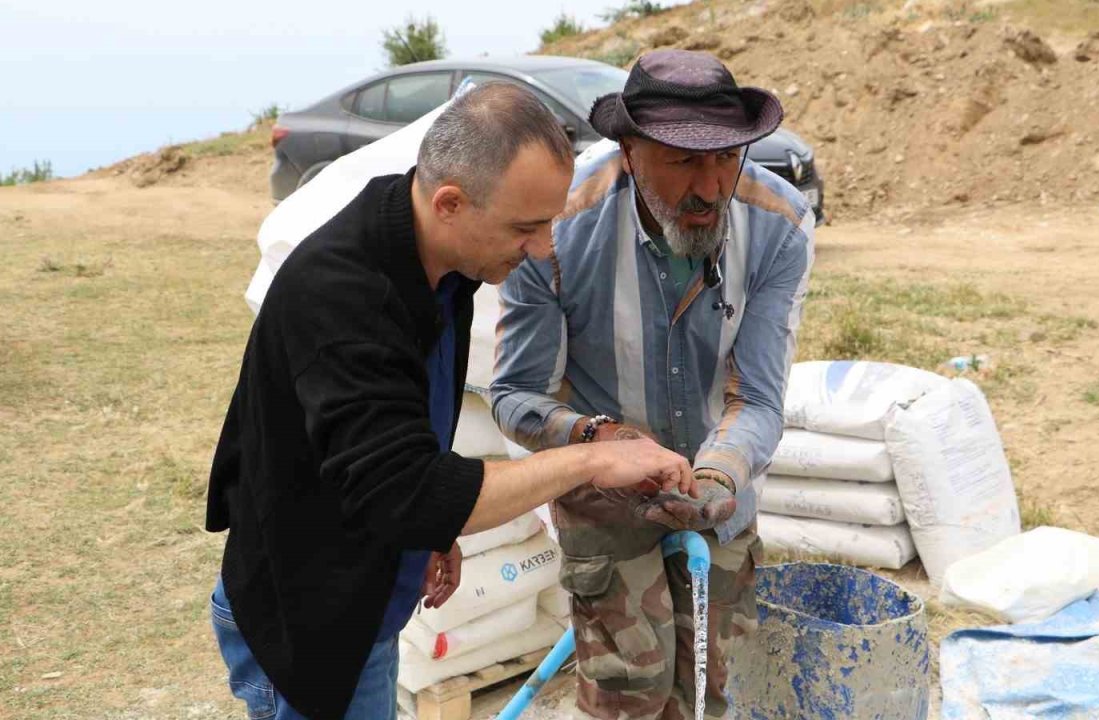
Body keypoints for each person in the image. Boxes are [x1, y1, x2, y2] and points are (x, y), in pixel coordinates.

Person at [204, 83, 696, 720]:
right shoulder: (341, 296)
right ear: (451, 203)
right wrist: (592, 460)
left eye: (549, 221)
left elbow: (401, 434)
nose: (544, 247)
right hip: (308, 621)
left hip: (365, 600)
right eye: (526, 226)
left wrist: (435, 528)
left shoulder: (445, 263)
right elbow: (403, 490)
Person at [491, 50, 815, 719]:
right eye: (684, 161)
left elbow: (755, 395)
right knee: (628, 694)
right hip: (603, 504)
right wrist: (603, 443)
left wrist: (720, 477)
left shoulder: (777, 226)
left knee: (713, 692)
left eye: (727, 157)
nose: (711, 185)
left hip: (720, 503)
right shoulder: (558, 230)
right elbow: (516, 397)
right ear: (631, 151)